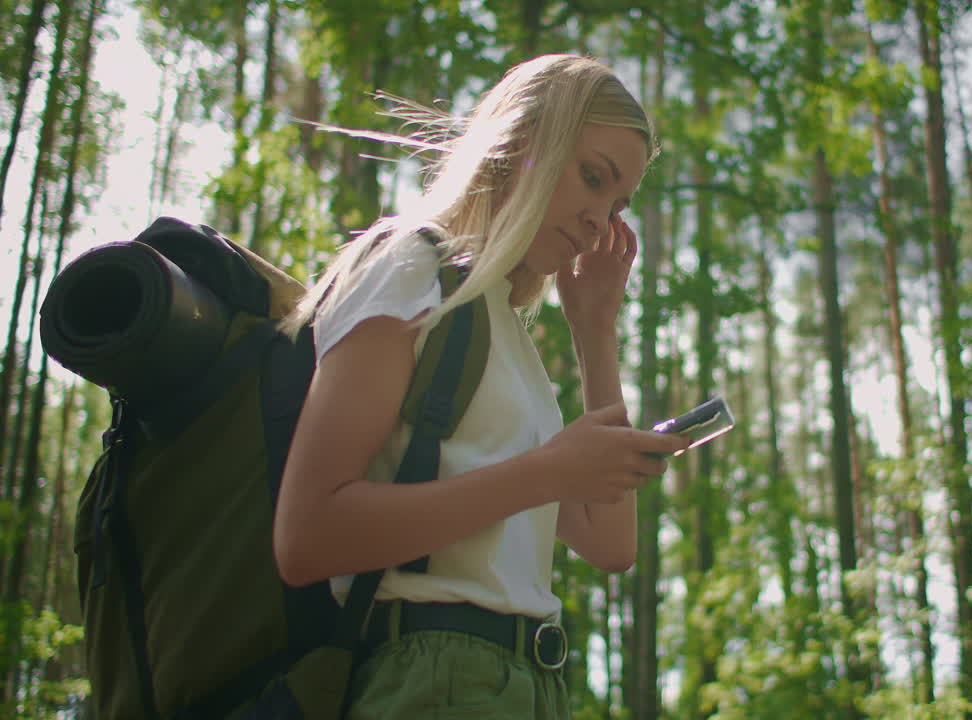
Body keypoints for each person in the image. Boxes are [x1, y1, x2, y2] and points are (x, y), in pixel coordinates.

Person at [270, 54, 689, 719]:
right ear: (522, 140)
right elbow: (307, 536)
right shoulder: (413, 266)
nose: (598, 220)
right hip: (434, 677)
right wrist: (547, 474)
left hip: (531, 682)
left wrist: (594, 330)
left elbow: (611, 545)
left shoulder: (504, 329)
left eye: (616, 204)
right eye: (592, 177)